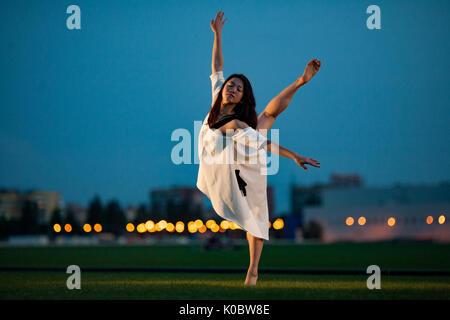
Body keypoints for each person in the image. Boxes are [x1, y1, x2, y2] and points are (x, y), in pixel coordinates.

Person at [196, 11, 321, 286]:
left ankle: (253, 271)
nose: (232, 88)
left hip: (237, 158)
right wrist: (217, 35)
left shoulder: (239, 123)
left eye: (238, 88)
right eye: (231, 84)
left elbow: (264, 142)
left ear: (242, 97)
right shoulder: (218, 96)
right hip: (215, 161)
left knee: (265, 120)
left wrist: (293, 155)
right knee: (262, 122)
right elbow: (217, 66)